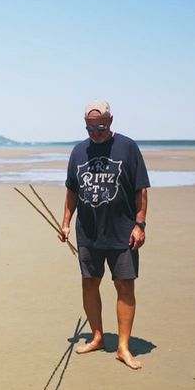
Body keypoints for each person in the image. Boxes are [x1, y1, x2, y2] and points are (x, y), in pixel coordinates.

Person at [59, 99, 150, 369]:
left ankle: (123, 346)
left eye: (100, 127)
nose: (95, 133)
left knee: (124, 285)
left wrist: (140, 225)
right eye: (90, 128)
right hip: (88, 232)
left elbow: (141, 190)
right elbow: (72, 191)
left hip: (122, 232)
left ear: (110, 121)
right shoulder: (78, 152)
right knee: (90, 282)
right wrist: (65, 223)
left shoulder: (128, 147)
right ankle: (97, 337)